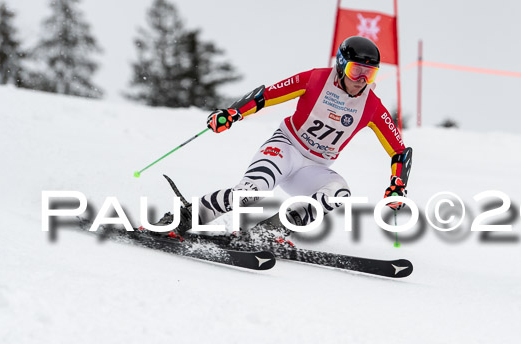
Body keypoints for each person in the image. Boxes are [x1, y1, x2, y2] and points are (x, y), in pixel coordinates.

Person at [158, 36, 411, 240]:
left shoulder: (372, 106)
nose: (362, 81)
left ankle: (269, 232)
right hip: (285, 148)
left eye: (370, 74)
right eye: (356, 71)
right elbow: (267, 95)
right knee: (249, 195)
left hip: (314, 168)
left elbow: (399, 151)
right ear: (342, 64)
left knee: (339, 193)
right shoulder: (316, 79)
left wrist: (397, 186)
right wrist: (233, 113)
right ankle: (185, 217)